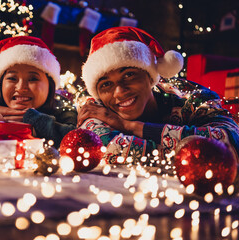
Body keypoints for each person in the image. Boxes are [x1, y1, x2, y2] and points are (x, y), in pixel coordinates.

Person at [78, 26, 239, 164]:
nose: (119, 92)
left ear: (150, 76)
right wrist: (192, 150)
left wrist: (131, 127)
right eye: (106, 84)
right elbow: (108, 149)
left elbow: (231, 142)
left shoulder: (193, 97)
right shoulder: (95, 108)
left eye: (129, 75)